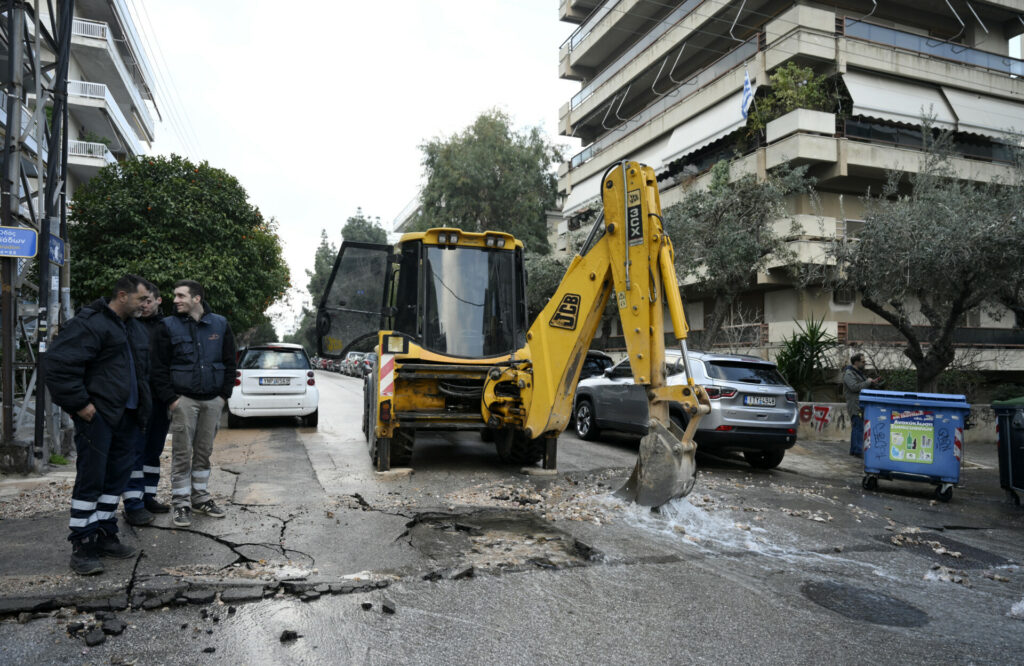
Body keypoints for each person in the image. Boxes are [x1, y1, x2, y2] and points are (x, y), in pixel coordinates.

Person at [44, 275, 152, 575]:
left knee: (115, 480)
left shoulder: (132, 327)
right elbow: (58, 364)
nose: (147, 304)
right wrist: (80, 404)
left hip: (127, 416)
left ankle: (105, 533)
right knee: (92, 479)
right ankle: (82, 545)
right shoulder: (90, 323)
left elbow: (140, 373)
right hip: (99, 416)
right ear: (122, 296)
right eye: (142, 299)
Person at [151, 280, 236, 527]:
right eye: (175, 296)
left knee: (203, 452)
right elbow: (158, 367)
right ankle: (181, 503)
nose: (175, 300)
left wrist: (223, 397)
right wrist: (172, 400)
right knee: (181, 453)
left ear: (196, 298)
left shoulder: (219, 324)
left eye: (180, 296)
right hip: (184, 400)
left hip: (212, 400)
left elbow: (231, 363)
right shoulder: (167, 326)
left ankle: (200, 498)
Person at [121, 281, 171, 526]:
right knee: (135, 451)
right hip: (138, 399)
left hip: (160, 399)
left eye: (148, 301)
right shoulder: (129, 325)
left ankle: (149, 495)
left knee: (154, 450)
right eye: (141, 301)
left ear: (158, 301)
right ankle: (133, 503)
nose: (144, 305)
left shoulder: (167, 326)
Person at [843, 352, 880, 457]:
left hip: (860, 404)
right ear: (856, 362)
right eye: (863, 361)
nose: (865, 363)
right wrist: (867, 382)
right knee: (858, 426)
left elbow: (862, 385)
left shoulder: (858, 373)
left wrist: (872, 382)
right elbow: (854, 387)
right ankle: (858, 451)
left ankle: (854, 450)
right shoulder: (849, 373)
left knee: (857, 427)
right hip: (855, 404)